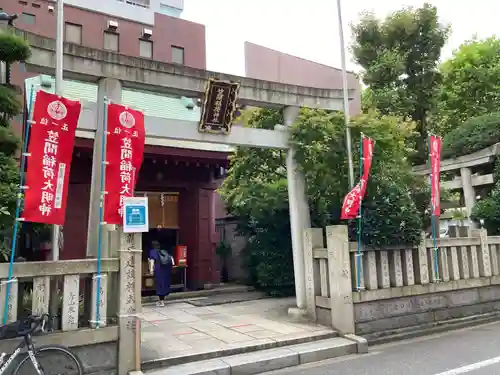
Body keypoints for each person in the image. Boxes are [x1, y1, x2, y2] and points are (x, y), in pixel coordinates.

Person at [148, 240, 174, 307]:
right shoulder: (164, 251)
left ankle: (161, 302)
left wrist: (151, 270)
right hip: (166, 270)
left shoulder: (153, 252)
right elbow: (172, 260)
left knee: (160, 285)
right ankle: (162, 300)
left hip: (159, 270)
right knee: (164, 284)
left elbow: (152, 260)